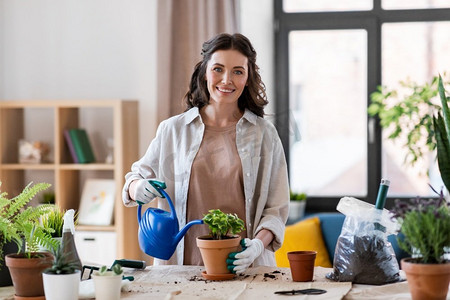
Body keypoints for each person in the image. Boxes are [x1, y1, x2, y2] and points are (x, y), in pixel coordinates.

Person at [122, 33, 289, 273]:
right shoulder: (173, 130)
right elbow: (133, 179)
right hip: (180, 266)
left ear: (248, 77)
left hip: (243, 264)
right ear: (205, 72)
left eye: (238, 71)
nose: (226, 80)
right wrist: (136, 187)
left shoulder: (264, 135)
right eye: (218, 69)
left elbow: (276, 208)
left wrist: (256, 246)